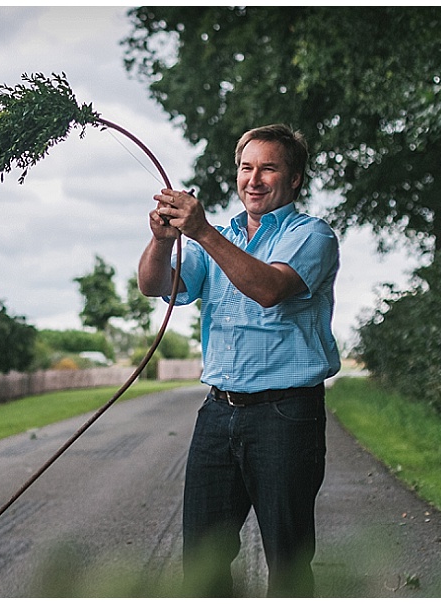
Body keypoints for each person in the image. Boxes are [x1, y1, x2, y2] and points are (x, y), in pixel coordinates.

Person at [137, 124, 340, 597]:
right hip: (218, 413)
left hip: (286, 415)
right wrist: (164, 239)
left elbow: (268, 288)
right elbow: (153, 285)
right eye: (246, 168)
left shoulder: (311, 236)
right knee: (203, 561)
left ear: (294, 179)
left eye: (269, 168)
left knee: (287, 564)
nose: (254, 178)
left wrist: (202, 231)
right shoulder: (222, 237)